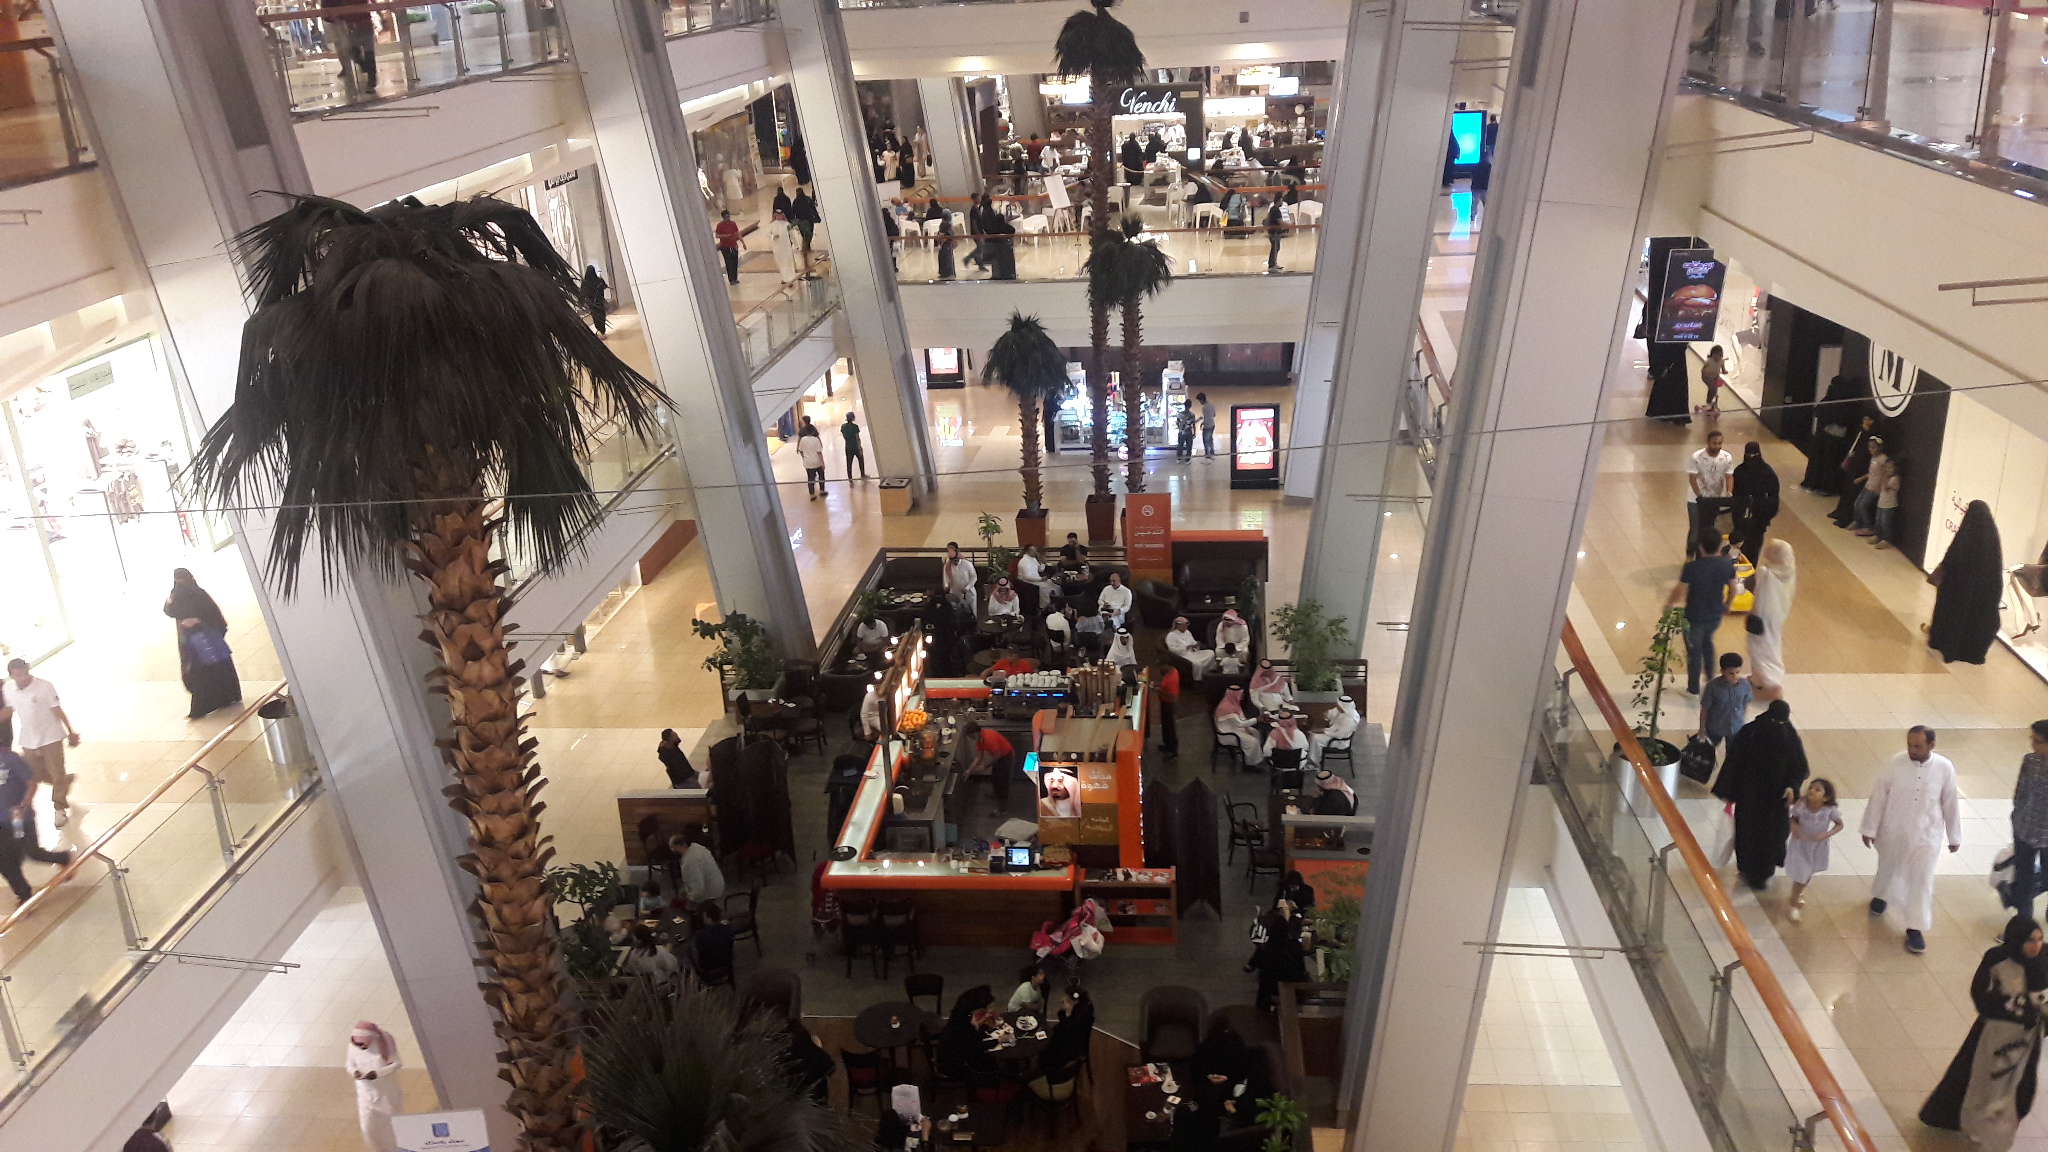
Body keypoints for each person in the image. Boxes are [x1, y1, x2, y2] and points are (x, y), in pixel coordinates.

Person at [1920, 915, 2048, 1149]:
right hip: (1994, 1033)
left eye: (2040, 939)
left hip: (2029, 1038)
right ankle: (1971, 1124)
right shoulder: (1997, 959)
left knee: (2021, 1086)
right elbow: (1981, 996)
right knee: (1981, 1079)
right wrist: (2014, 1013)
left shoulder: (2045, 958)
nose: (2036, 946)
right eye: (2031, 940)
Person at [1862, 726, 1962, 954]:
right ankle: (1881, 895)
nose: (1911, 750)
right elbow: (1879, 796)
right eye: (1909, 744)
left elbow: (1950, 803)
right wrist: (1869, 827)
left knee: (1922, 882)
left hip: (1927, 837)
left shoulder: (1944, 768)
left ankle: (1914, 929)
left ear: (1931, 746)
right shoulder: (1895, 763)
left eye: (1917, 746)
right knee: (1888, 867)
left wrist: (1954, 835)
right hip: (1893, 831)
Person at [1710, 698, 1805, 889]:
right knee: (1748, 832)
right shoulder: (1752, 732)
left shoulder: (1787, 734)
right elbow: (1735, 762)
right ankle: (1747, 869)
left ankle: (1764, 871)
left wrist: (1792, 787)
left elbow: (1798, 766)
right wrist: (1729, 791)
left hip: (1775, 799)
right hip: (1751, 796)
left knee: (1772, 835)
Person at [1, 660, 79, 829]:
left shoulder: (44, 687)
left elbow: (57, 710)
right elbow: (10, 709)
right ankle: (64, 782)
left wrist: (70, 732)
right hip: (28, 739)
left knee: (57, 772)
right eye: (17, 675)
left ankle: (59, 808)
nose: (22, 678)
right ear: (11, 675)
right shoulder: (8, 689)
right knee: (36, 775)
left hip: (51, 737)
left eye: (24, 674)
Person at [1928, 500, 2005, 665]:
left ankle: (1946, 643)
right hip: (1982, 593)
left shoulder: (1965, 537)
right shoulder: (1991, 541)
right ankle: (1970, 650)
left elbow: (1952, 559)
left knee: (1955, 613)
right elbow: (1995, 574)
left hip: (1959, 589)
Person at [164, 568, 242, 719]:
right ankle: (228, 697)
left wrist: (197, 621)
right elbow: (170, 610)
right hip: (204, 642)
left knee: (199, 674)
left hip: (196, 644)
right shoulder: (195, 594)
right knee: (218, 670)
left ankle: (204, 706)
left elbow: (170, 610)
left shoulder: (182, 595)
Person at [0, 744, 70, 905]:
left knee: (32, 853)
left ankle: (63, 858)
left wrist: (23, 807)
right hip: (2, 823)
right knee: (4, 862)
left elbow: (32, 783)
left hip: (21, 820)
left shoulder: (11, 759)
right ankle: (24, 895)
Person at [1670, 532, 1738, 697]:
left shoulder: (1692, 567)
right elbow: (1734, 588)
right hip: (1715, 614)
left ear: (1700, 546)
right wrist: (1728, 605)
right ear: (1720, 546)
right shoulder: (1727, 565)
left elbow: (1680, 590)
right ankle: (1710, 681)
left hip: (1694, 615)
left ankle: (1693, 689)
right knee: (1708, 644)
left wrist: (1669, 604)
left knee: (1694, 652)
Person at [936, 986, 1013, 1097]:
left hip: (954, 1053)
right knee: (992, 1059)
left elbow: (971, 1033)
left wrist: (981, 1022)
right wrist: (999, 1040)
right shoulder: (962, 1027)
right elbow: (975, 1047)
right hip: (954, 1065)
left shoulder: (959, 1015)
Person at [1784, 777, 1842, 922]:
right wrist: (1794, 827)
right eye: (1811, 787)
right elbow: (1793, 817)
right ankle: (1794, 902)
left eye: (1817, 790)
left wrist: (1827, 834)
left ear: (1826, 797)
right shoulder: (1801, 805)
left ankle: (1798, 894)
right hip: (1801, 845)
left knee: (1807, 874)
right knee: (1802, 874)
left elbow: (1839, 824)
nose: (1811, 791)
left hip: (1817, 847)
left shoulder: (1829, 810)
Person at [1747, 540, 1796, 700]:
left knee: (1760, 649)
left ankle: (1772, 687)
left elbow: (1755, 589)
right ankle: (1758, 680)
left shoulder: (1765, 571)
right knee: (1771, 644)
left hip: (1762, 614)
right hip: (1776, 615)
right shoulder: (1789, 572)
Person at [348, 1021, 403, 1152]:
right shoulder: (353, 1046)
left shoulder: (384, 1046)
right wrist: (355, 1072)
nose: (360, 1046)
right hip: (366, 1096)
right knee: (368, 1128)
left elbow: (397, 1064)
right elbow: (349, 1064)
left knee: (391, 1128)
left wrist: (378, 1073)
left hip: (386, 1095)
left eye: (362, 1043)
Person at [2012, 721, 2048, 919]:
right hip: (2025, 829)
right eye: (2032, 739)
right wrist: (2017, 815)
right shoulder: (2030, 761)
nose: (2033, 744)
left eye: (2038, 741)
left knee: (2046, 876)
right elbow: (2020, 792)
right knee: (2023, 879)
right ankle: (2023, 923)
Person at [1245, 906, 1309, 1010]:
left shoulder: (1265, 948)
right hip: (1290, 988)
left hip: (1269, 988)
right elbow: (1301, 969)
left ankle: (1260, 1011)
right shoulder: (1295, 946)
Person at [1685, 430, 1736, 558]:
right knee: (1695, 529)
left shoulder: (1726, 458)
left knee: (1710, 528)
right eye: (1715, 443)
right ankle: (1690, 555)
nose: (1718, 446)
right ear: (1708, 442)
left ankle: (1705, 555)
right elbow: (1693, 478)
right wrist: (1699, 496)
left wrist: (1729, 493)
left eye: (1720, 443)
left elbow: (1729, 477)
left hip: (1714, 498)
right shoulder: (1697, 457)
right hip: (1695, 500)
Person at [1696, 651, 1753, 764]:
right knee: (1707, 752)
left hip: (1736, 727)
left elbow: (1745, 704)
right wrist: (1702, 728)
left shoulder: (1745, 685)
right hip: (1715, 726)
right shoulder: (1713, 687)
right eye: (1731, 673)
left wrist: (1743, 720)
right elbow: (1705, 708)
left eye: (1738, 672)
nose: (1735, 676)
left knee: (1733, 756)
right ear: (1722, 672)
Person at [1729, 441, 1778, 563]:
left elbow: (1774, 496)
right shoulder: (1740, 471)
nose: (1751, 459)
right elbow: (1734, 493)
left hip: (1759, 517)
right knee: (1738, 546)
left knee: (1754, 547)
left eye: (1754, 455)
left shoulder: (1767, 473)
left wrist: (1766, 514)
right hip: (1740, 517)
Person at [321, 0, 378, 101]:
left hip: (364, 24)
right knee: (353, 52)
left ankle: (371, 81)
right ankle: (365, 67)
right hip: (352, 27)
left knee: (369, 53)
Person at [1038, 984, 1094, 1075]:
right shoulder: (1087, 1008)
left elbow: (1061, 1029)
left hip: (1069, 1051)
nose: (1064, 1000)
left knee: (1044, 1048)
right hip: (1079, 1043)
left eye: (1067, 1000)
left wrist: (1063, 1011)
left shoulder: (1074, 1020)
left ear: (1074, 1001)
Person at [961, 720, 1016, 802]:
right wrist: (969, 770)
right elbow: (979, 756)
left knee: (1003, 782)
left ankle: (1002, 807)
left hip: (1007, 756)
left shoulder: (988, 738)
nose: (969, 737)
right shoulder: (979, 740)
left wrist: (984, 766)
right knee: (995, 778)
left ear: (975, 732)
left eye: (969, 735)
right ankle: (997, 795)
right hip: (999, 757)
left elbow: (998, 754)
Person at [671, 827, 726, 906]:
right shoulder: (696, 847)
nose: (672, 850)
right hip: (717, 884)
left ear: (679, 847)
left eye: (672, 847)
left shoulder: (690, 861)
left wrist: (690, 901)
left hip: (709, 892)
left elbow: (698, 888)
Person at [1850, 437, 1892, 538]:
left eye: (1874, 447)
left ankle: (1868, 527)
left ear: (1880, 447)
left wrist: (1882, 486)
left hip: (1875, 487)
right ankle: (1857, 521)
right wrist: (1861, 478)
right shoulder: (1873, 458)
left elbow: (1886, 473)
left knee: (1863, 505)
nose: (1871, 450)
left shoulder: (1883, 459)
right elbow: (1872, 473)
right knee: (1857, 503)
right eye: (1869, 447)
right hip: (1868, 484)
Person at [1215, 686, 1265, 769]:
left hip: (1233, 728)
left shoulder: (1233, 703)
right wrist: (1256, 720)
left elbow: (1240, 721)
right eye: (1241, 694)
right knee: (1252, 742)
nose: (1242, 696)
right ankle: (1249, 765)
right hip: (1227, 733)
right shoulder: (1226, 707)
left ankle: (1255, 758)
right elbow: (1240, 724)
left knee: (1256, 733)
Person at [620, 924, 680, 990]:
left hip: (643, 991)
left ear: (637, 940)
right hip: (661, 987)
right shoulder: (659, 950)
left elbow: (629, 971)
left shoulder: (633, 954)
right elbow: (673, 966)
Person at [1309, 695, 1360, 767]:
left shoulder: (1350, 720)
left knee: (1315, 738)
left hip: (1339, 741)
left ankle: (1314, 762)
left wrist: (1324, 731)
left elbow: (1339, 735)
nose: (1337, 706)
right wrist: (1325, 714)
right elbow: (1330, 713)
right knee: (1312, 734)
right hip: (1333, 732)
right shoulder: (1341, 710)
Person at [877, 1084, 931, 1150]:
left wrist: (925, 1141)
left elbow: (925, 1121)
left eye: (912, 1101)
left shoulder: (916, 1118)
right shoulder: (890, 1119)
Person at [691, 902, 737, 979]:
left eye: (704, 916)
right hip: (726, 960)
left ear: (709, 918)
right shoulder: (728, 928)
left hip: (708, 965)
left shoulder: (701, 935)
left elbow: (698, 949)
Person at [1153, 661, 1181, 756]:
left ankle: (1173, 750)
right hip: (1164, 702)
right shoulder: (1173, 671)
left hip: (1169, 704)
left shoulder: (1171, 679)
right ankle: (1167, 745)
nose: (1160, 669)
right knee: (1166, 726)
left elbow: (1172, 696)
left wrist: (1159, 690)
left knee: (1170, 727)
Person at [790, 187, 820, 275]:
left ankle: (806, 245)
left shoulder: (800, 201)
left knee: (808, 234)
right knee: (807, 234)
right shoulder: (801, 200)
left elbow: (812, 208)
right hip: (806, 221)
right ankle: (806, 246)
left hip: (804, 220)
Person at [943, 541, 978, 613]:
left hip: (969, 593)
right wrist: (946, 586)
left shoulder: (967, 564)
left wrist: (967, 588)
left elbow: (974, 577)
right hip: (955, 594)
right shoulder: (947, 567)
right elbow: (946, 579)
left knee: (971, 613)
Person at [796, 420, 827, 499]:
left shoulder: (803, 439)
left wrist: (804, 457)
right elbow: (819, 452)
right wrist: (822, 463)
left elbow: (800, 450)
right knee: (821, 476)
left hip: (808, 462)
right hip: (817, 462)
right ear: (813, 431)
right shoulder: (815, 439)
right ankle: (822, 490)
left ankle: (812, 494)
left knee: (810, 478)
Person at [714, 210, 744, 285]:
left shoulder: (733, 224)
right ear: (723, 217)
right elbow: (717, 235)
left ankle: (735, 277)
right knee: (729, 263)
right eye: (726, 217)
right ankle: (731, 279)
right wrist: (724, 236)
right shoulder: (720, 225)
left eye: (728, 216)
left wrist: (743, 242)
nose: (728, 218)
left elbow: (737, 233)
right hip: (725, 247)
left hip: (734, 246)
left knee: (735, 262)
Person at [581, 264, 610, 333]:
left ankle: (599, 329)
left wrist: (582, 302)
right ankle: (602, 329)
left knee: (595, 316)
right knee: (602, 315)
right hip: (599, 301)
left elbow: (582, 292)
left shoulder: (585, 282)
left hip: (591, 303)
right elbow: (605, 286)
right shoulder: (599, 280)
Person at [1700, 345, 1727, 411]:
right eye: (1716, 355)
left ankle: (1712, 403)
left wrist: (1724, 372)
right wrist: (1706, 372)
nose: (1717, 357)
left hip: (1715, 377)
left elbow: (1723, 370)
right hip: (1706, 377)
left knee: (1715, 391)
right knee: (1712, 388)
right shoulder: (1709, 361)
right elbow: (1703, 370)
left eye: (1719, 355)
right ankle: (1709, 402)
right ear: (1712, 354)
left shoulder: (1721, 361)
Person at [1263, 197, 1286, 272]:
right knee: (1275, 247)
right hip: (1275, 232)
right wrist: (1289, 225)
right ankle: (1272, 264)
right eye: (1281, 201)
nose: (1282, 202)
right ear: (1278, 201)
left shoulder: (1272, 209)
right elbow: (1280, 222)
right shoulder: (1276, 211)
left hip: (1272, 231)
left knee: (1275, 247)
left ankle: (1273, 263)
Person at [1198, 392, 1217, 457]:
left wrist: (1202, 424)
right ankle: (1212, 452)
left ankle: (1207, 454)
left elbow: (1206, 418)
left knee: (1205, 440)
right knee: (1210, 439)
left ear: (1202, 400)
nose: (1200, 402)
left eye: (1199, 401)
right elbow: (1214, 415)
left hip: (1207, 426)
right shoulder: (1211, 405)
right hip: (1212, 424)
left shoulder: (1204, 407)